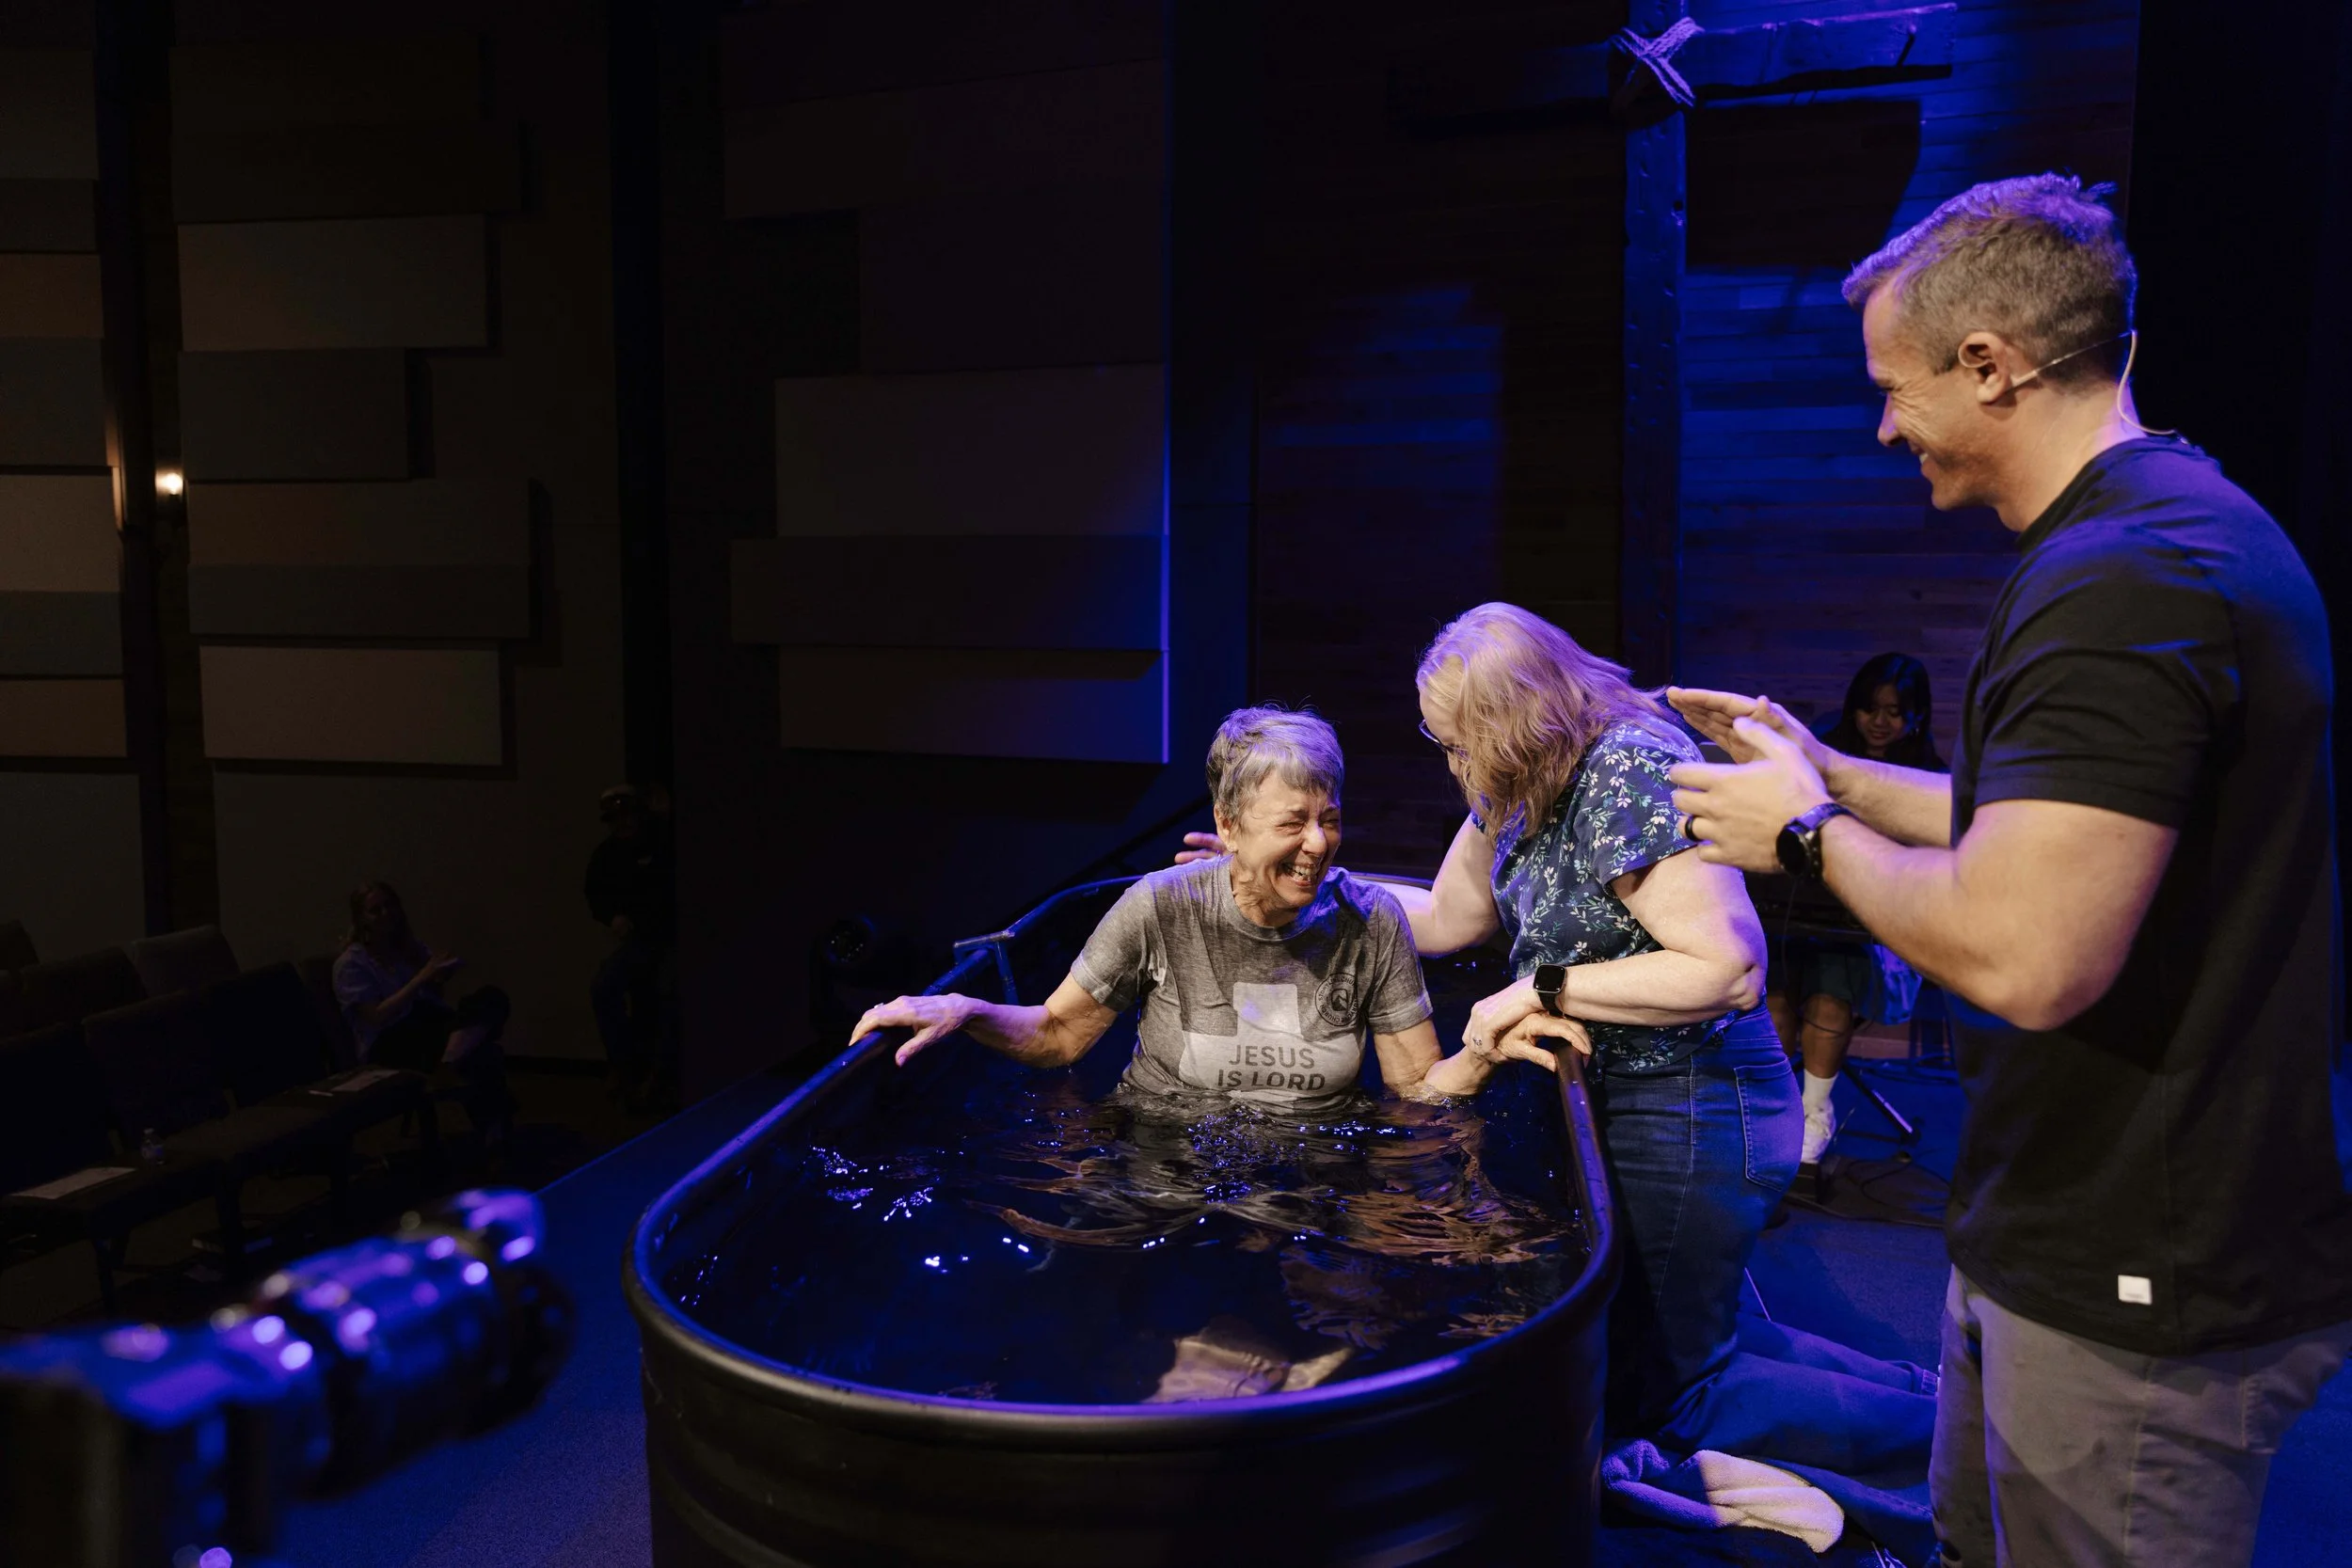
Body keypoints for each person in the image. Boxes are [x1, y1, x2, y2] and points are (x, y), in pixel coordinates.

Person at [1667, 174, 2352, 1568]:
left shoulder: (2130, 576)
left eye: (1893, 386)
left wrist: (1803, 836)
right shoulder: (2161, 530)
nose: (1881, 424)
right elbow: (2031, 817)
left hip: (2141, 1273)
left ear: (1988, 367)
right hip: (2065, 1233)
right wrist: (1835, 769)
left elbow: (2025, 947)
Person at [1378, 602, 1934, 1487]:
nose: (1453, 765)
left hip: (1694, 1096)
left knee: (1671, 1388)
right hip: (1637, 1097)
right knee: (1707, 1330)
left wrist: (1541, 987)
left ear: (1514, 723)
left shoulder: (1625, 769)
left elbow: (1727, 968)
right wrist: (1300, 882)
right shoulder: (1522, 781)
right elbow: (1447, 917)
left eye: (1459, 744)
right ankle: (1939, 1402)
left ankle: (1963, 1455)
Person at [850, 706, 1548, 1112]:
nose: (1319, 843)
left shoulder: (1371, 922)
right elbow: (1060, 1035)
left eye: (1330, 819)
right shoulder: (1159, 906)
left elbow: (1417, 1088)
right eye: (1292, 822)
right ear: (1228, 823)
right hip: (1164, 1159)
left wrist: (1480, 1053)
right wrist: (966, 1009)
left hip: (1311, 1177)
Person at [1765, 653, 1945, 1165]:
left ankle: (1814, 1113)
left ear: (1917, 716)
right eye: (1870, 709)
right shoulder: (1818, 759)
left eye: (1894, 711)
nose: (1880, 722)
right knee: (1776, 977)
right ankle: (1775, 1115)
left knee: (1831, 978)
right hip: (1798, 913)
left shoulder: (1929, 778)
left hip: (1880, 929)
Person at [332, 881, 516, 1149]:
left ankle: (448, 1065)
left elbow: (432, 994)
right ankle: (495, 1132)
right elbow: (375, 1017)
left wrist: (438, 975)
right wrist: (422, 978)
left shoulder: (405, 948)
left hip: (425, 1023)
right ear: (362, 920)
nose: (386, 914)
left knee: (492, 998)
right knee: (481, 1052)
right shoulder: (351, 964)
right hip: (389, 1040)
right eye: (375, 910)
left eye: (390, 906)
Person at [584, 784, 675, 1106]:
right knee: (603, 988)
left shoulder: (666, 845)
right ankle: (624, 1067)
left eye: (627, 817)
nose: (621, 825)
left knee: (668, 995)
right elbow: (595, 893)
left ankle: (660, 1074)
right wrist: (613, 917)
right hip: (640, 942)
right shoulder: (607, 855)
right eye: (614, 819)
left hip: (675, 941)